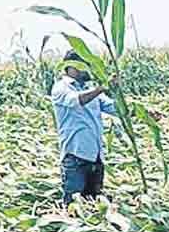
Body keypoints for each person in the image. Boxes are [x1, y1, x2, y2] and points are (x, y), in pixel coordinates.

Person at [51, 50, 119, 205]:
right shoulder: (61, 88)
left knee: (95, 204)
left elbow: (114, 107)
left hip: (95, 156)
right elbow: (77, 101)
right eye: (86, 65)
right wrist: (101, 88)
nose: (90, 69)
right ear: (72, 67)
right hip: (75, 158)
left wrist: (142, 112)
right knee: (75, 208)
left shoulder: (90, 89)